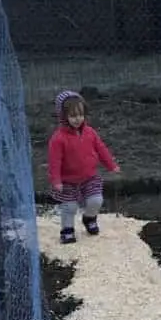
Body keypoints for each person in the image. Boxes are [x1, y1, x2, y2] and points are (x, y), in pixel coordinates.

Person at [47, 89, 120, 244]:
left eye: (80, 115)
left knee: (96, 201)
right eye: (73, 116)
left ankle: (89, 218)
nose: (77, 119)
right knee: (70, 207)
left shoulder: (90, 132)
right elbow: (54, 161)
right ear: (63, 117)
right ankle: (67, 230)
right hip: (67, 180)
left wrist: (111, 165)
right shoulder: (58, 139)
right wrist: (56, 181)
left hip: (89, 177)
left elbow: (101, 149)